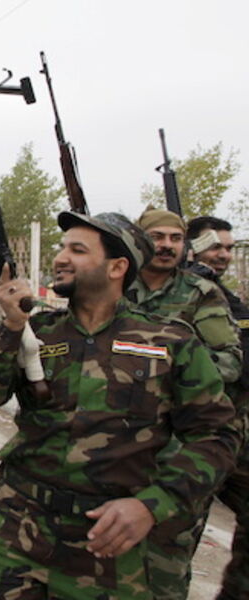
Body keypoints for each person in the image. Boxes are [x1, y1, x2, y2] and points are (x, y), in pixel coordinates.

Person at [0, 211, 238, 599]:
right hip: (19, 531)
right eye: (62, 247)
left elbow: (217, 434)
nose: (61, 257)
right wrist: (11, 327)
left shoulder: (168, 341)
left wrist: (153, 506)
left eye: (77, 250)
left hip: (110, 543)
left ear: (117, 267)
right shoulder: (39, 331)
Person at [124, 207, 243, 599]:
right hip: (117, 449)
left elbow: (229, 362)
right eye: (158, 237)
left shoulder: (200, 293)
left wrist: (161, 361)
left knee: (164, 569)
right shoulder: (115, 285)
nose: (167, 245)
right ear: (140, 240)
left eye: (175, 239)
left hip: (177, 452)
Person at [187, 216, 249, 600]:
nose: (223, 254)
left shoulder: (231, 302)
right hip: (189, 441)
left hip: (236, 437)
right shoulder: (174, 294)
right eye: (215, 246)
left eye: (228, 248)